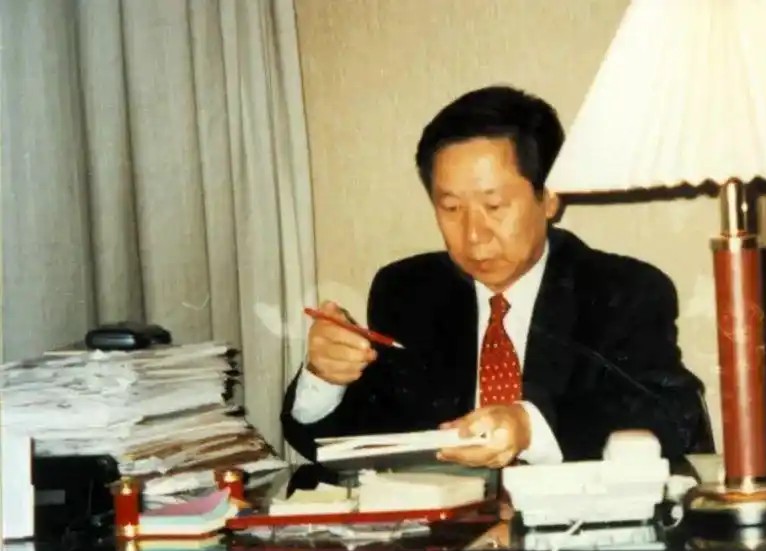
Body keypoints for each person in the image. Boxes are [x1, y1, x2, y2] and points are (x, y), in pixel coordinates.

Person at [281, 85, 712, 468]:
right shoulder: (408, 291)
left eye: (495, 206)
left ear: (549, 197)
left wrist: (528, 428)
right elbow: (337, 445)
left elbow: (675, 416)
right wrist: (324, 376)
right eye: (451, 208)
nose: (474, 235)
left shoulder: (621, 289)